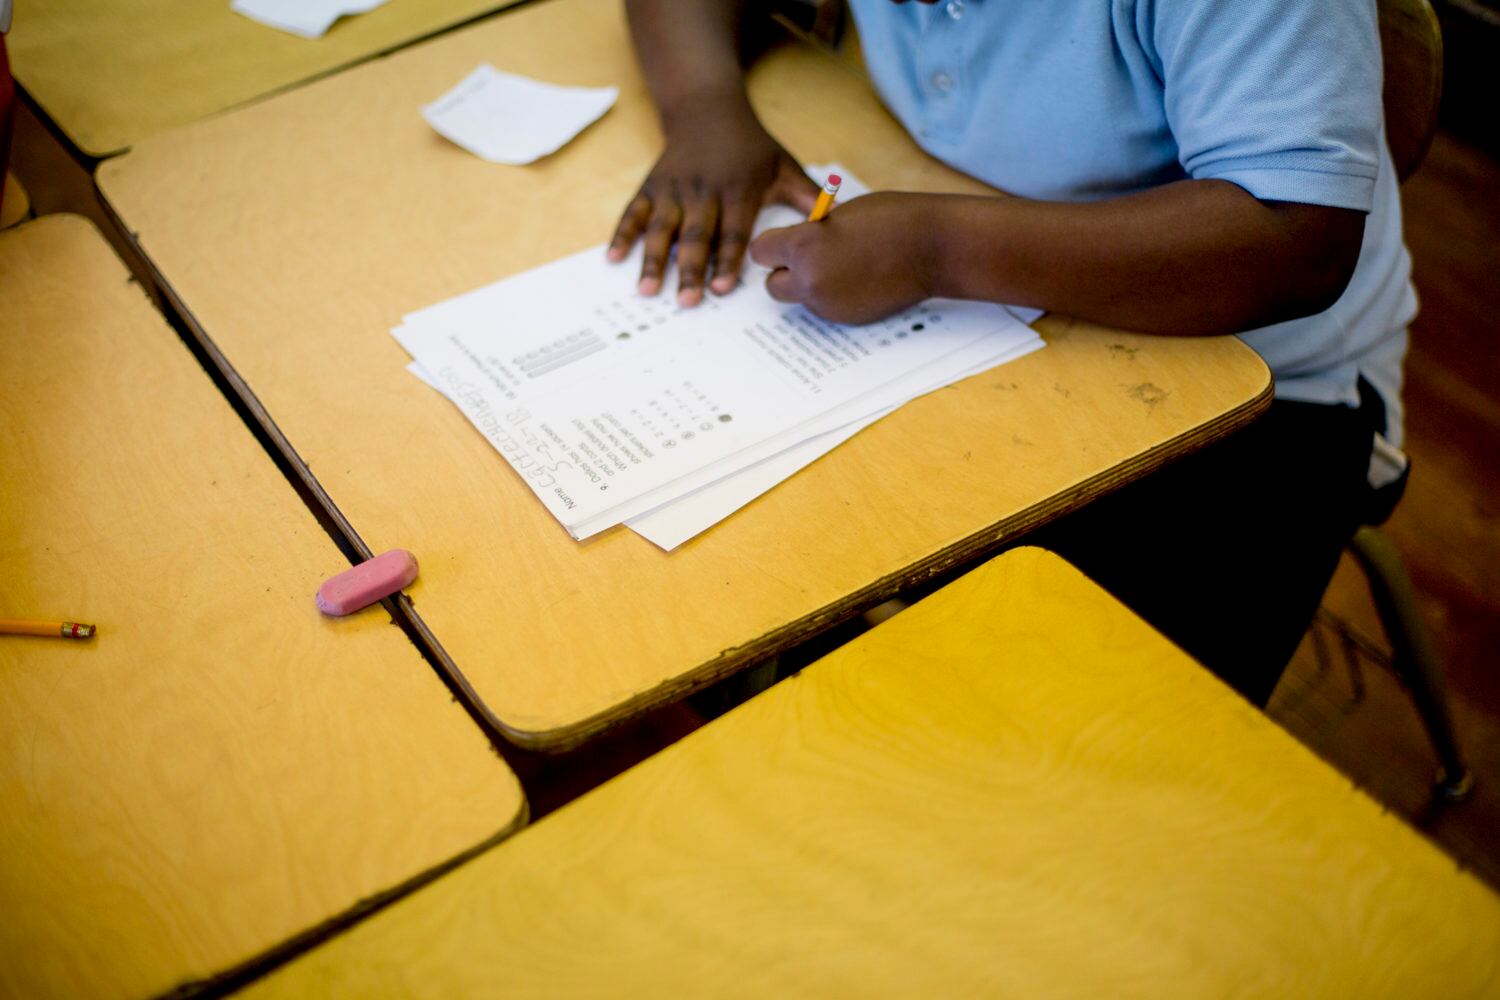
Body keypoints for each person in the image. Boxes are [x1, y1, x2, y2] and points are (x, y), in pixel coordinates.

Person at [608, 0, 1415, 706]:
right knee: (715, 596)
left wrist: (938, 248)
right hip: (983, 313)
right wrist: (705, 102)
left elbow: (1295, 238)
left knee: (1070, 750)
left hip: (1258, 386)